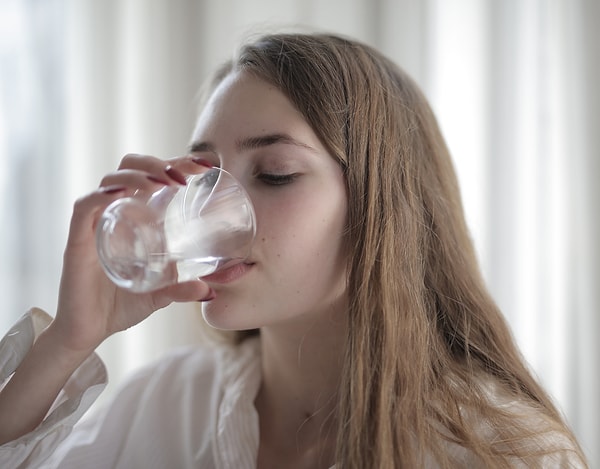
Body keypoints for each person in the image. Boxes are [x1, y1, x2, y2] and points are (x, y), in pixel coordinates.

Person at [0, 32, 588, 468]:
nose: (208, 210)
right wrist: (67, 344)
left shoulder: (503, 452)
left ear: (381, 208)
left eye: (276, 173)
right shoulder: (166, 404)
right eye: (203, 176)